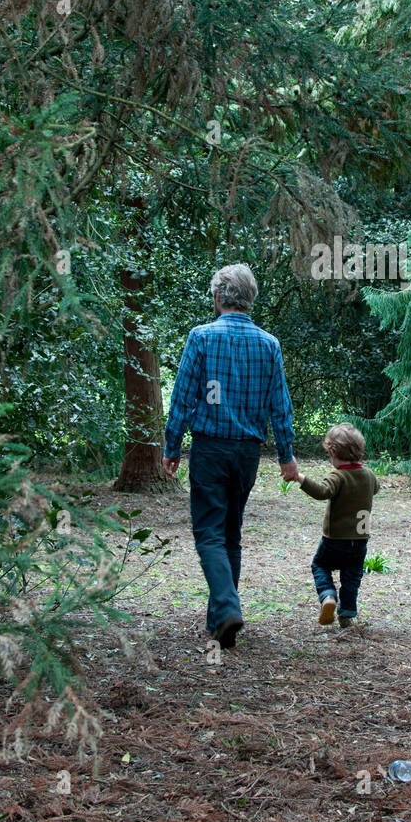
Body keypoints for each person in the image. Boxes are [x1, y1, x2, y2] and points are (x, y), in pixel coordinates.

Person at [162, 263, 298, 649]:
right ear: (250, 298)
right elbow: (280, 407)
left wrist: (172, 447)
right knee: (231, 534)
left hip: (209, 449)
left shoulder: (201, 337)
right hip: (246, 454)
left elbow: (184, 397)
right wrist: (286, 455)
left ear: (219, 297)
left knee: (208, 534)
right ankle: (220, 623)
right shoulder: (268, 344)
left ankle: (225, 608)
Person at [298, 424, 380, 629]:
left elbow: (322, 492)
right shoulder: (369, 475)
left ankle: (328, 596)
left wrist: (301, 478)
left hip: (335, 539)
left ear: (333, 452)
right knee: (352, 576)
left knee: (320, 566)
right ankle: (347, 614)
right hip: (360, 540)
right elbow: (376, 488)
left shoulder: (338, 476)